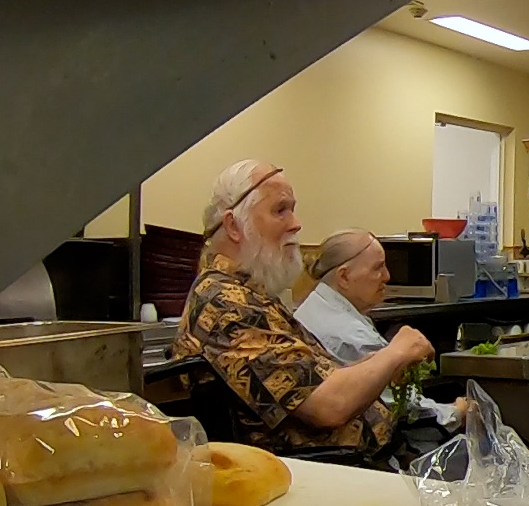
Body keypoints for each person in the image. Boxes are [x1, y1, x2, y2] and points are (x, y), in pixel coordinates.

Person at [171, 160, 435, 457]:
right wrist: (395, 352)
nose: (296, 224)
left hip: (369, 455)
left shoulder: (249, 295)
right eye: (280, 210)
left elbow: (311, 379)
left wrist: (378, 365)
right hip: (330, 471)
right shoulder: (226, 305)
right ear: (233, 226)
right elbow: (328, 406)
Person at [294, 229, 466, 431]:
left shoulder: (315, 306)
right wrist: (456, 411)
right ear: (344, 277)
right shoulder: (349, 334)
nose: (387, 276)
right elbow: (399, 406)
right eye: (378, 268)